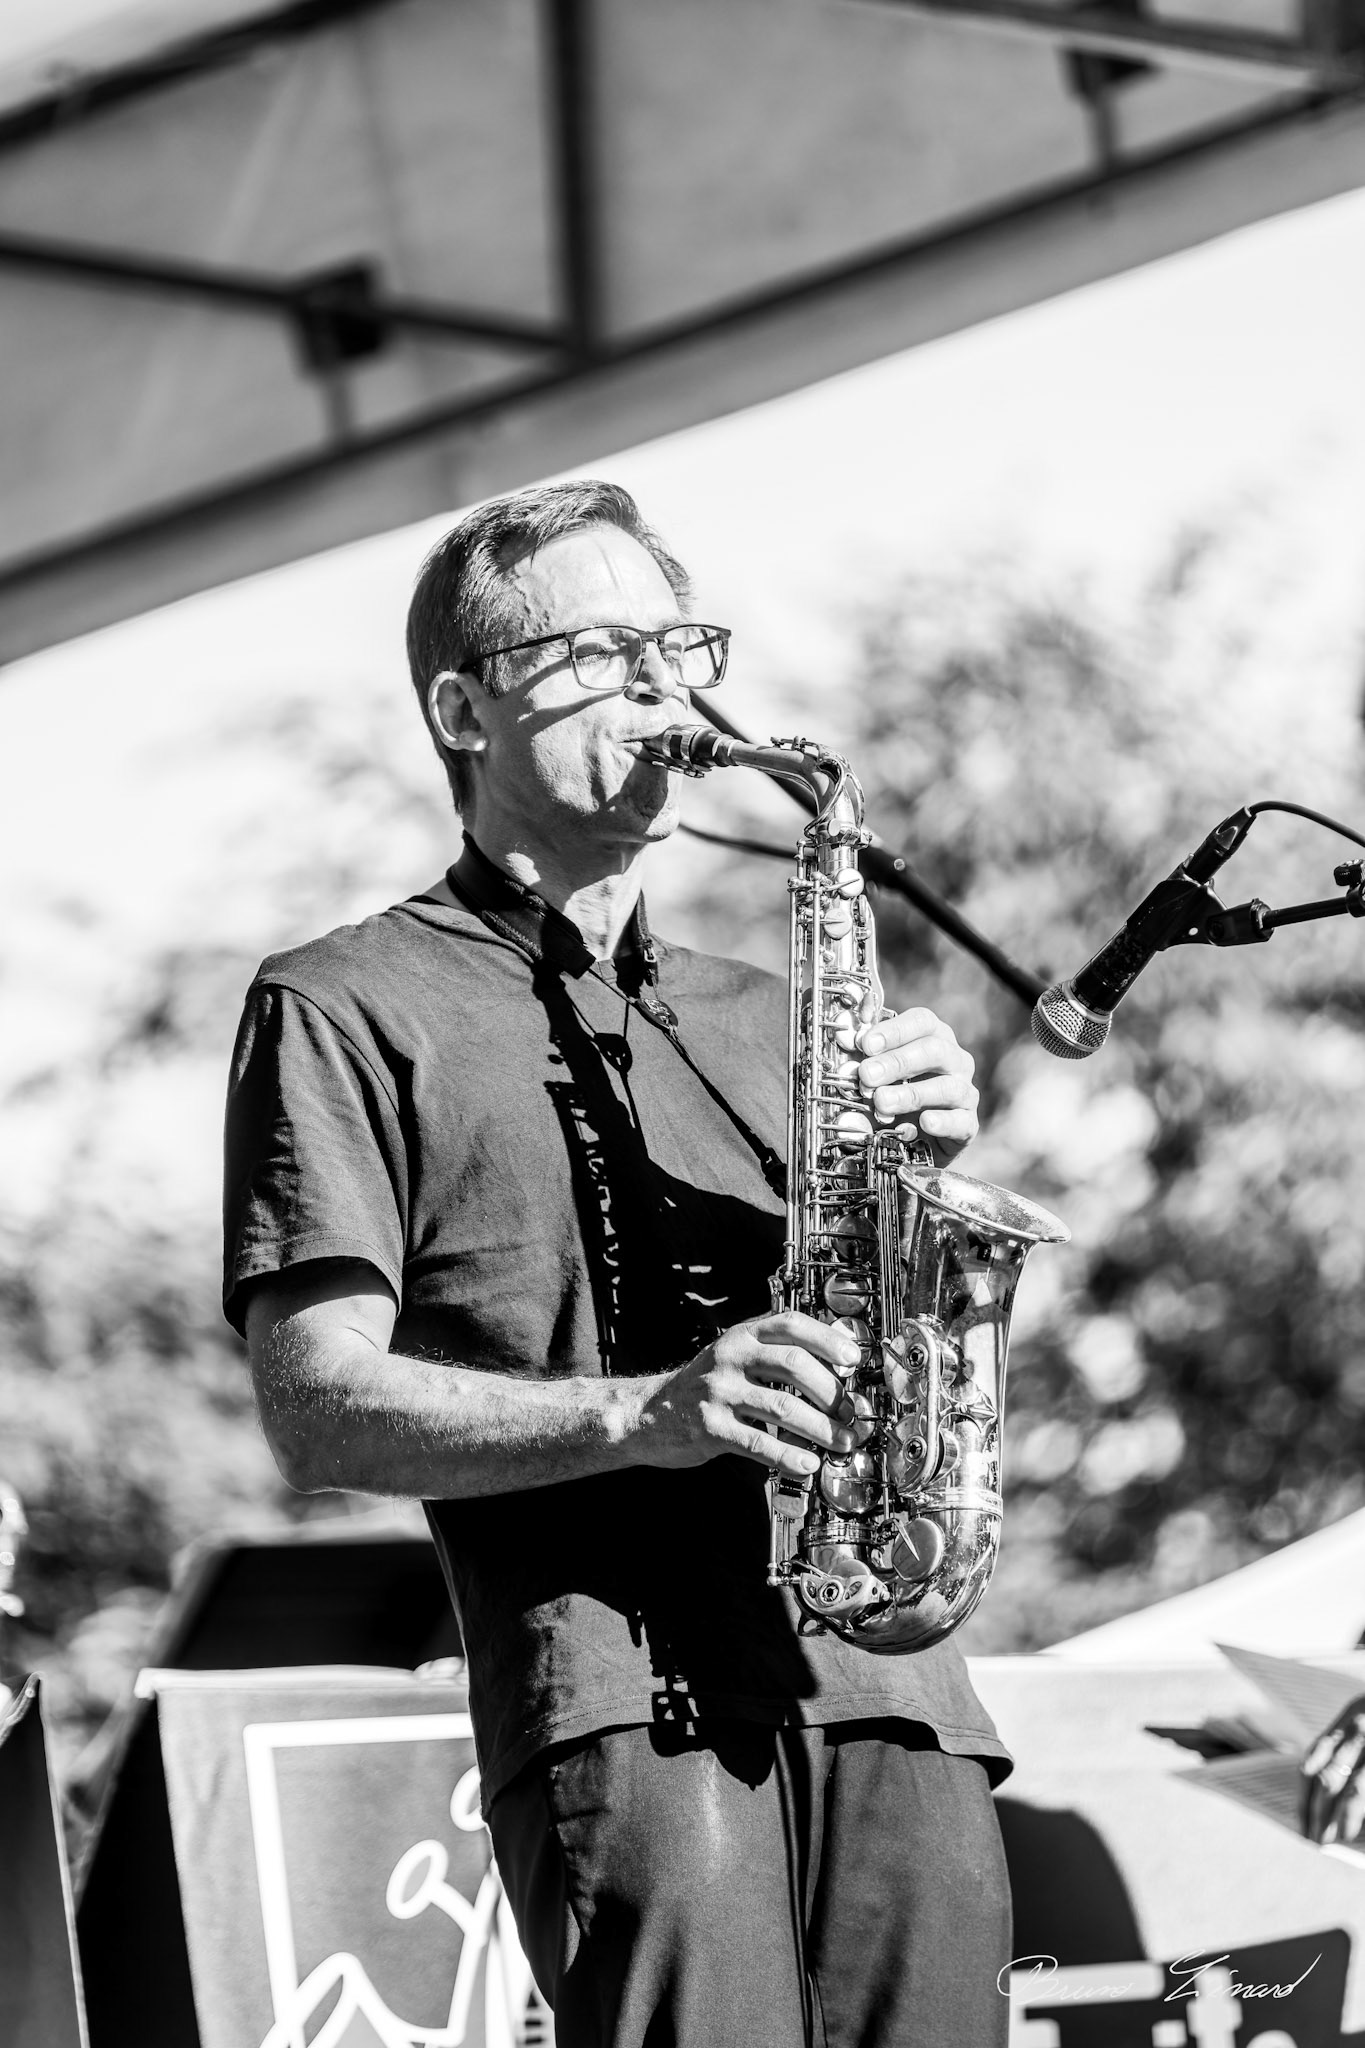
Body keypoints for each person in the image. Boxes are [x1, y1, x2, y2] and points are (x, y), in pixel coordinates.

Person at [224, 480, 1012, 2048]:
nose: (664, 692)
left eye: (678, 648)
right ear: (462, 710)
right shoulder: (340, 1004)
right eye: (600, 654)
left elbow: (902, 1344)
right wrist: (642, 1414)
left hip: (886, 1687)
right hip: (624, 1697)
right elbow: (311, 1407)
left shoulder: (776, 1016)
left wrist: (922, 1178)